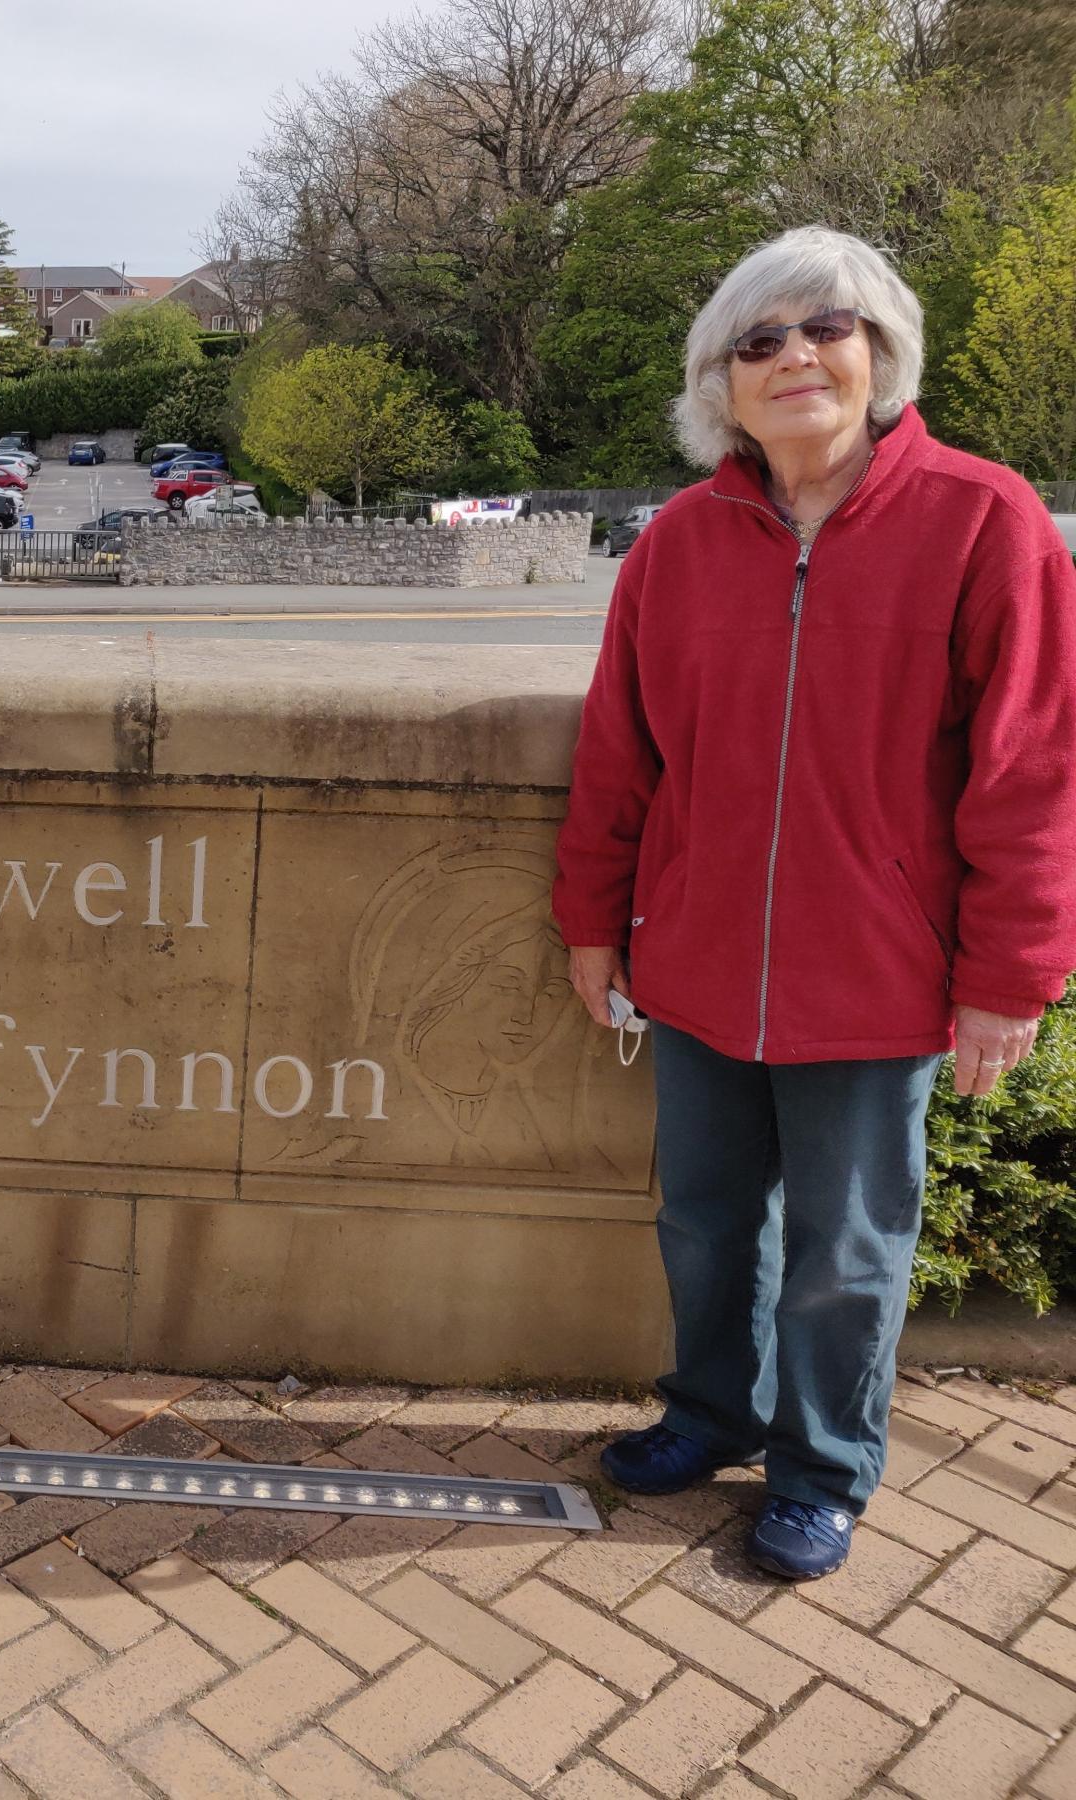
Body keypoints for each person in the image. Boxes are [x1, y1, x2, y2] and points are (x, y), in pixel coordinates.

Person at [554, 226, 1076, 1580]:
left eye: (827, 327)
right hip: (700, 962)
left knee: (847, 1248)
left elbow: (1032, 770)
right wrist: (595, 924)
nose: (797, 356)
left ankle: (823, 1468)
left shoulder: (984, 518)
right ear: (721, 385)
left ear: (882, 350)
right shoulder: (678, 541)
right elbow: (621, 752)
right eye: (760, 339)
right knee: (707, 1221)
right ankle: (711, 1415)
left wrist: (1008, 977)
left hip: (878, 976)